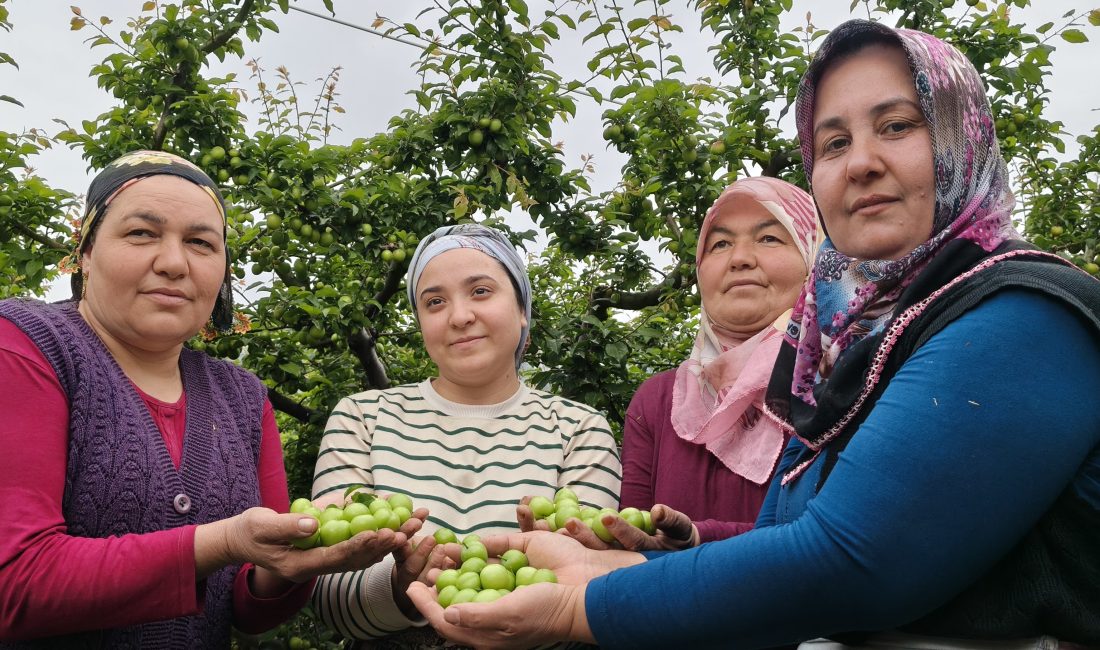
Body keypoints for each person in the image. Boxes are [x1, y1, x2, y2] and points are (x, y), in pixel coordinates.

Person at [406, 19, 1100, 649]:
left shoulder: (1024, 314)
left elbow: (849, 563)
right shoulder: (845, 350)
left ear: (963, 136)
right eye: (833, 142)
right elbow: (784, 540)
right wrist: (634, 558)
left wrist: (579, 604)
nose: (859, 162)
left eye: (897, 126)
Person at [0, 150, 419, 647]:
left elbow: (245, 606)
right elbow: (14, 585)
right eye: (141, 233)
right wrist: (220, 541)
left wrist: (295, 562)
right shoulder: (25, 346)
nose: (175, 263)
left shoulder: (242, 397)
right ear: (86, 252)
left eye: (201, 243)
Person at [310, 223, 622, 646]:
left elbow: (587, 586)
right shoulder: (362, 418)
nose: (459, 317)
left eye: (480, 291)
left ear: (522, 308)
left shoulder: (579, 429)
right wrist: (401, 587)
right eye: (434, 301)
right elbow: (329, 595)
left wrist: (546, 595)